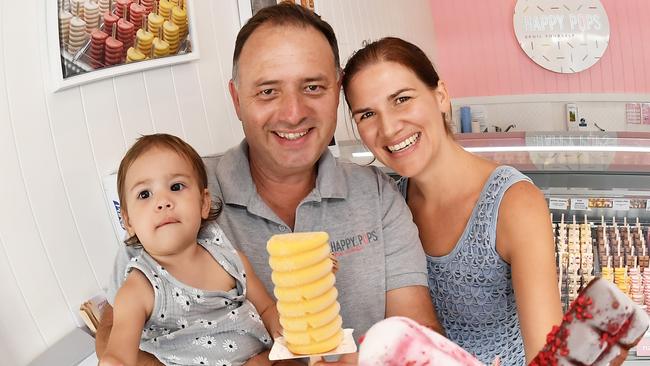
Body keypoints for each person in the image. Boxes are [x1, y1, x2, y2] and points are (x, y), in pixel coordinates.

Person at [96, 4, 443, 365]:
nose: (293, 113)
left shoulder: (376, 194)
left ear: (337, 91)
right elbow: (115, 333)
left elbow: (416, 331)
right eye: (267, 92)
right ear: (236, 99)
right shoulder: (180, 191)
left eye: (312, 87)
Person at [341, 37, 563, 365]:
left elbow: (549, 358)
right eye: (367, 114)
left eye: (401, 99)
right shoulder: (386, 203)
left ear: (441, 96)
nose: (388, 128)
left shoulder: (514, 204)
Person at [100, 134, 279, 366]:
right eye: (145, 194)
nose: (163, 201)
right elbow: (118, 355)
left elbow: (267, 309)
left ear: (204, 203)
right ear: (128, 222)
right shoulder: (139, 288)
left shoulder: (231, 262)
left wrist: (284, 336)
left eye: (176, 187)